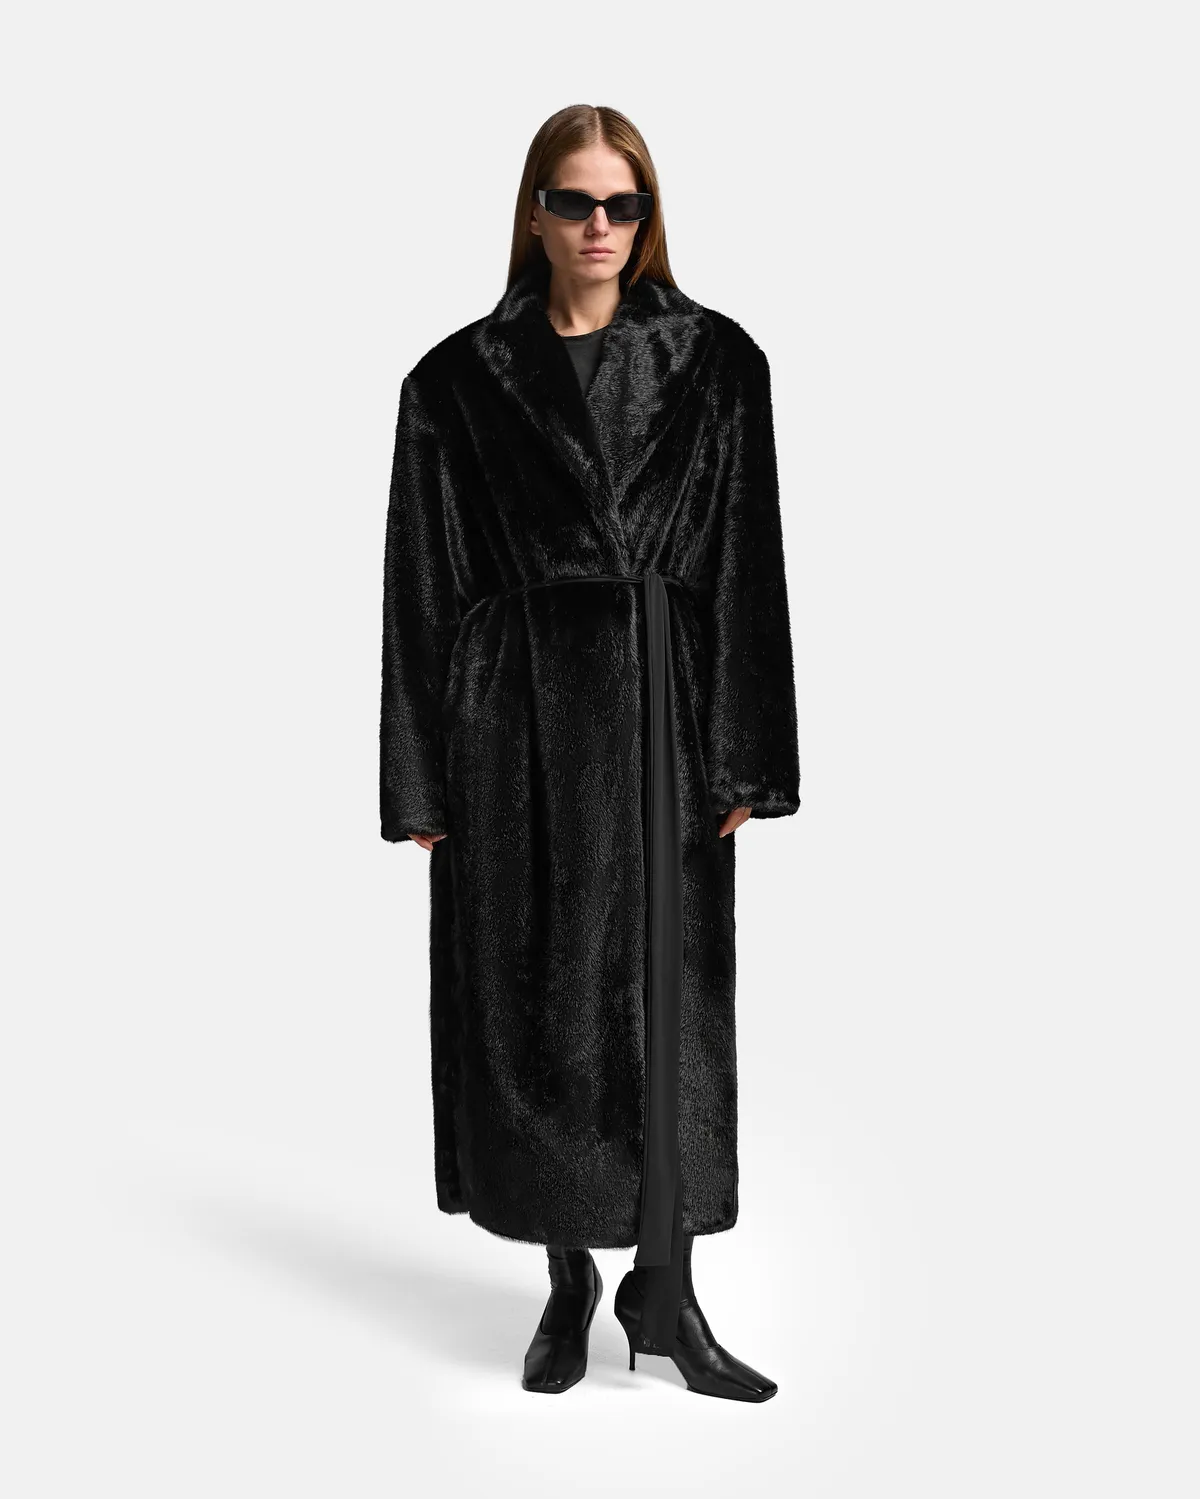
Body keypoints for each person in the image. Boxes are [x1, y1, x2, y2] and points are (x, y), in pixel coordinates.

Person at [379, 104, 800, 1400]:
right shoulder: (455, 381)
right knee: (537, 999)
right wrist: (421, 778)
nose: (600, 226)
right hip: (511, 718)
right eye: (575, 201)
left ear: (649, 214)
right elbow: (420, 586)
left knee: (668, 1006)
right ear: (536, 212)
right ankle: (566, 1277)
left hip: (665, 710)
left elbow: (747, 559)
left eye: (623, 204)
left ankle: (665, 1290)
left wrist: (748, 756)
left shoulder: (716, 363)